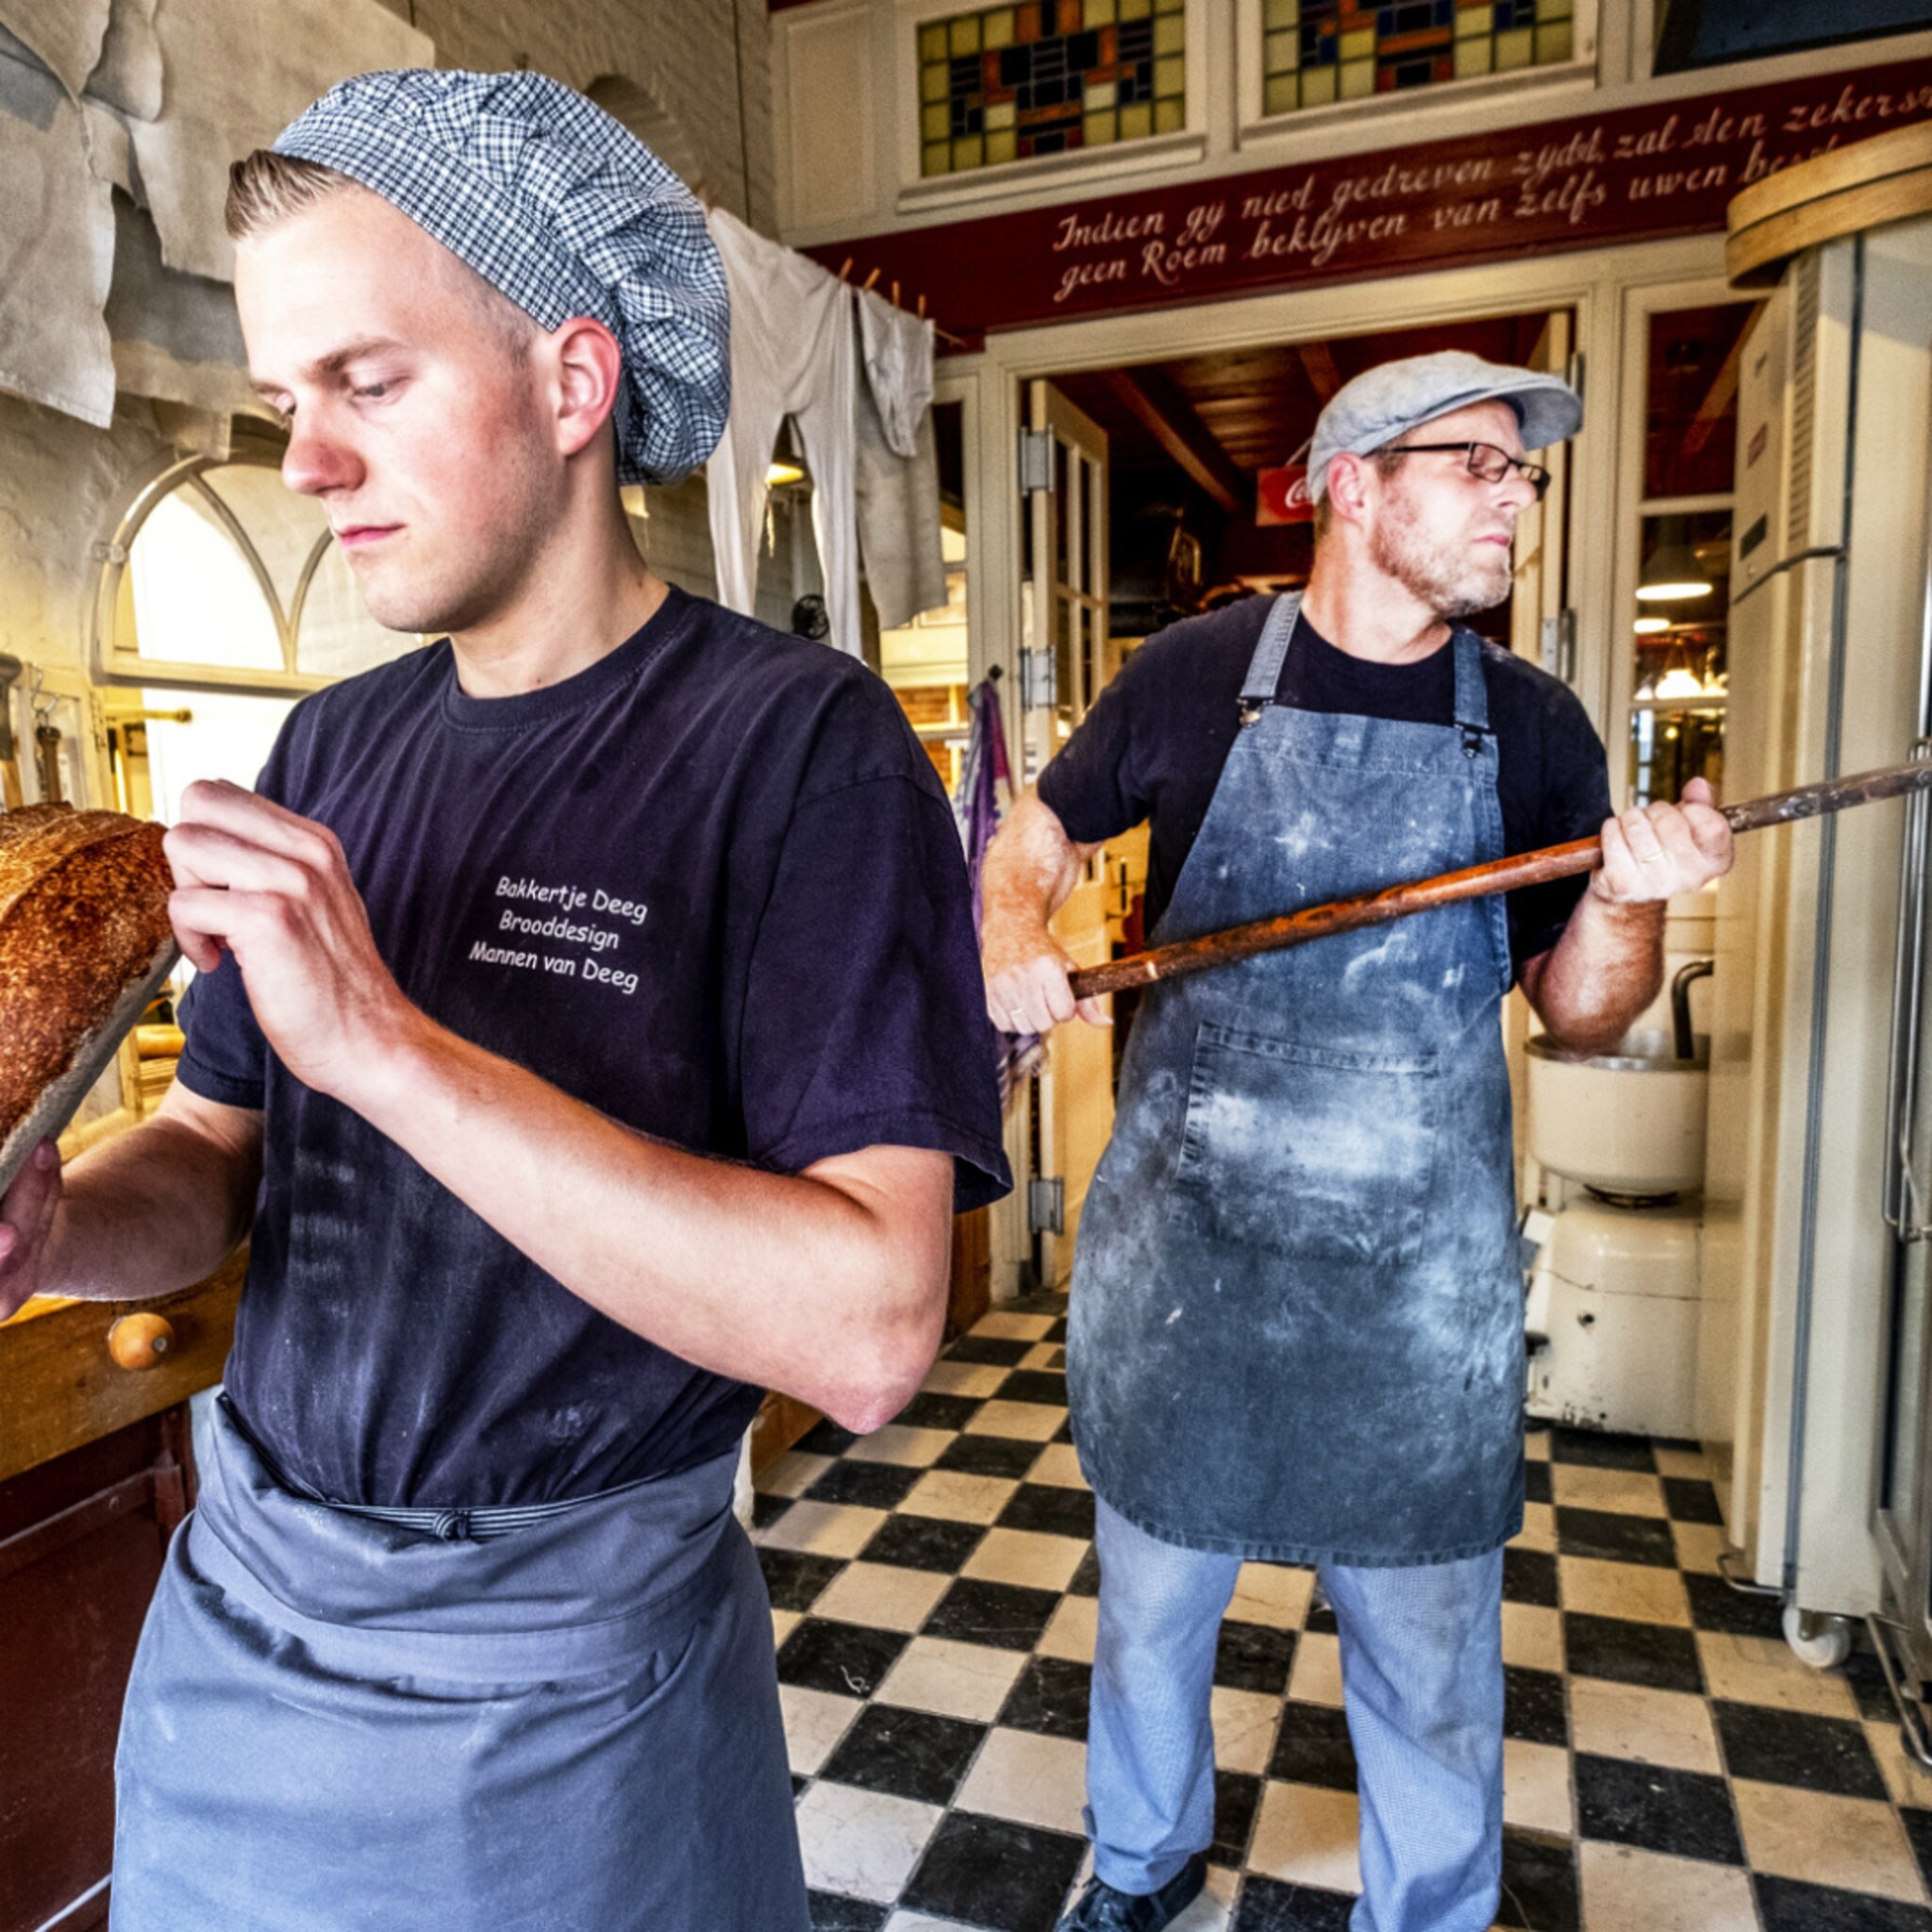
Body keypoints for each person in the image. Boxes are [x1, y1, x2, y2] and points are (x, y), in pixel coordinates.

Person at [0, 70, 1008, 1932]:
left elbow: (871, 1325)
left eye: (365, 382)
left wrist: (380, 1043)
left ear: (570, 380)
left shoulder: (794, 750)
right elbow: (215, 1161)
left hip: (560, 1692)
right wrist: (61, 1222)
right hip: (239, 1629)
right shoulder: (328, 746)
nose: (300, 458)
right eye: (291, 394)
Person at [980, 351, 1733, 1932]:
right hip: (1193, 1274)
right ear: (1353, 485)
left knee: (1432, 1666)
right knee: (1152, 1627)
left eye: (1521, 474)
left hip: (1409, 1304)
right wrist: (1007, 931)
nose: (1513, 499)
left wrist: (1631, 888)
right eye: (1477, 465)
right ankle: (1141, 1864)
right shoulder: (1192, 676)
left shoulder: (1531, 727)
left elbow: (1584, 1014)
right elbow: (1037, 827)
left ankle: (1434, 1911)